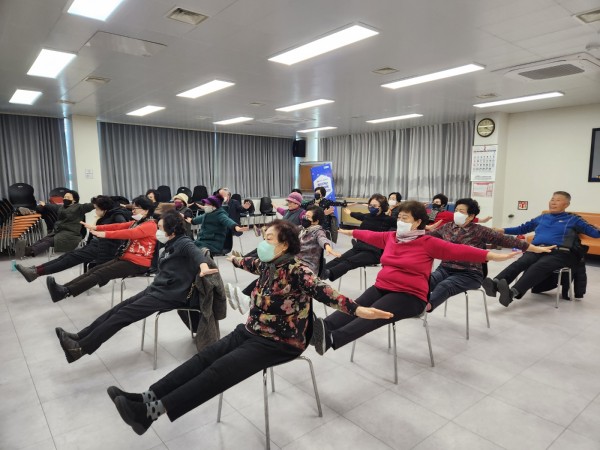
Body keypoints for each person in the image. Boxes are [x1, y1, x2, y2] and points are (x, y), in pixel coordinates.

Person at [105, 219, 392, 435]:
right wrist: (234, 259)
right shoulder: (268, 264)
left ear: (284, 245)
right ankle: (147, 397)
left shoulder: (299, 271)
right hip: (253, 329)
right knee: (204, 358)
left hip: (282, 341)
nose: (263, 243)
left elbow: (326, 292)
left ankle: (150, 414)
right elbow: (249, 263)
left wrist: (358, 310)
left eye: (268, 238)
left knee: (219, 370)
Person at [310, 201, 519, 355]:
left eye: (405, 218)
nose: (400, 222)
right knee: (357, 304)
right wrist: (348, 232)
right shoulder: (391, 237)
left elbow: (460, 250)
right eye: (399, 218)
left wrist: (492, 256)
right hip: (384, 285)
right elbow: (368, 235)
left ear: (418, 221)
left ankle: (332, 339)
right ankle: (321, 328)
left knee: (374, 312)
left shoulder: (428, 242)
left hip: (410, 296)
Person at [55, 210, 219, 363]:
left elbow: (196, 254)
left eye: (160, 228)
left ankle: (80, 349)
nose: (157, 231)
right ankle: (79, 336)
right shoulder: (171, 242)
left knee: (122, 315)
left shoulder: (183, 242)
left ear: (172, 230)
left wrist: (203, 266)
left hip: (171, 295)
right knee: (117, 309)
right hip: (159, 289)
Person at [426, 198, 553, 311]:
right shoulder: (447, 227)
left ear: (471, 216)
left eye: (461, 211)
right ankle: (417, 302)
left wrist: (534, 248)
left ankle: (425, 307)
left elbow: (507, 240)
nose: (457, 214)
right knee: (425, 281)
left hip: (469, 274)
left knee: (445, 286)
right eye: (456, 210)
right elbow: (427, 238)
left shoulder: (479, 230)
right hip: (445, 269)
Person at [482, 191, 600, 306]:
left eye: (558, 200)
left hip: (559, 252)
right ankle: (495, 283)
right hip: (537, 249)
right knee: (521, 262)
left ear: (566, 204)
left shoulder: (574, 219)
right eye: (552, 199)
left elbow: (594, 233)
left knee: (539, 266)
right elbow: (522, 228)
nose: (553, 202)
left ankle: (512, 293)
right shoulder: (542, 217)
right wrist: (502, 230)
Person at [230, 206, 341, 314]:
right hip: (293, 261)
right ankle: (245, 297)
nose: (304, 218)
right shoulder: (302, 228)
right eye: (305, 216)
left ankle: (245, 298)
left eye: (308, 217)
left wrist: (328, 247)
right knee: (269, 263)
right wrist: (268, 231)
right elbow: (286, 230)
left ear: (316, 221)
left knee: (270, 271)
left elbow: (323, 239)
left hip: (306, 267)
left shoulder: (318, 232)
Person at [45, 196, 158, 302]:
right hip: (126, 258)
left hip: (138, 263)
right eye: (132, 208)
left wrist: (104, 234)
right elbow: (117, 226)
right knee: (94, 270)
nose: (133, 211)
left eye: (136, 208)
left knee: (100, 273)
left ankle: (65, 292)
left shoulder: (150, 225)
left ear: (146, 210)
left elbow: (129, 233)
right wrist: (96, 227)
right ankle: (63, 289)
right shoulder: (137, 222)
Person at [15, 196, 130, 282]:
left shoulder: (117, 215)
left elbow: (124, 232)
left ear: (103, 209)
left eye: (96, 208)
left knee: (69, 259)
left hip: (104, 249)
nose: (95, 211)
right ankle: (34, 270)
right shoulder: (108, 215)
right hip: (97, 245)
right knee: (66, 256)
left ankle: (36, 272)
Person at [321, 193, 396, 282]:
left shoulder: (388, 220)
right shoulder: (368, 216)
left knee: (349, 261)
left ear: (382, 207)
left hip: (374, 252)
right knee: (339, 259)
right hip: (359, 247)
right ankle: (317, 272)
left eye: (374, 206)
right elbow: (359, 215)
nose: (371, 207)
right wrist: (350, 213)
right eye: (370, 205)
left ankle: (327, 274)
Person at [15, 190, 94, 259]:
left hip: (72, 235)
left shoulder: (80, 208)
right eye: (64, 197)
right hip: (60, 232)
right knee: (44, 239)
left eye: (68, 197)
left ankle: (29, 251)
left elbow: (90, 206)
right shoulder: (62, 207)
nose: (65, 199)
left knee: (49, 241)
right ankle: (26, 250)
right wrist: (45, 205)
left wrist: (97, 201)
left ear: (74, 200)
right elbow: (54, 206)